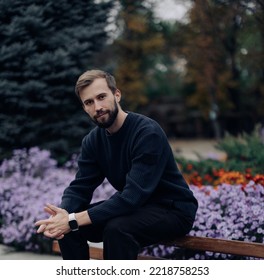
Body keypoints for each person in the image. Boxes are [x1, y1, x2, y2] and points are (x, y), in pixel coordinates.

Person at [35, 69, 198, 260]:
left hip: (173, 210)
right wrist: (64, 214)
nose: (97, 107)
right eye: (89, 102)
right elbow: (80, 187)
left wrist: (72, 220)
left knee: (117, 229)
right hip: (137, 208)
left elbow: (131, 197)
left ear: (117, 95)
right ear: (85, 108)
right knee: (70, 229)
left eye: (101, 97)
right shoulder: (93, 141)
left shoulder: (146, 133)